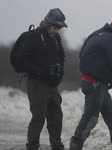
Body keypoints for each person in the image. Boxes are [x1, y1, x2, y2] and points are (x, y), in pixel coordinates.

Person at [69, 14, 112, 150]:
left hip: (91, 82)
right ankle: (75, 146)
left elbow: (81, 54)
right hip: (95, 84)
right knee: (90, 119)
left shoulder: (97, 34)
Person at [18, 8, 67, 150]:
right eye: (55, 26)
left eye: (59, 28)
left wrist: (59, 72)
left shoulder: (56, 38)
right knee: (39, 116)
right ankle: (32, 146)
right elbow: (21, 61)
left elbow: (61, 56)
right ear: (47, 23)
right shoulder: (33, 36)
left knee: (56, 116)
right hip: (36, 83)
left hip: (52, 84)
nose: (57, 30)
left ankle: (56, 145)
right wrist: (40, 72)